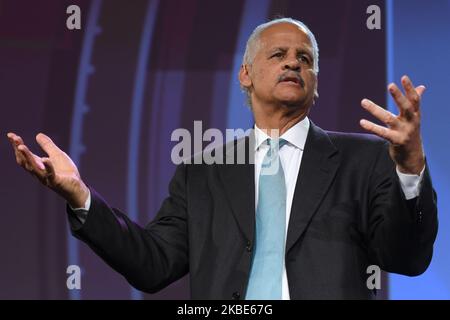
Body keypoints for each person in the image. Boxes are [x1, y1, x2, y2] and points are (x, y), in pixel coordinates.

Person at [6, 18, 437, 300]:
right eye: (278, 55)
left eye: (304, 59)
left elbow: (408, 259)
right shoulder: (203, 172)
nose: (293, 63)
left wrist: (410, 167)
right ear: (246, 75)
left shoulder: (366, 159)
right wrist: (81, 197)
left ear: (316, 84)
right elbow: (152, 264)